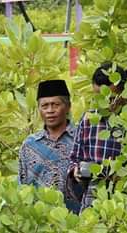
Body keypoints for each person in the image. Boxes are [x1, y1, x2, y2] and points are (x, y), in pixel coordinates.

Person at [68, 62, 127, 212]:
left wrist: (122, 174)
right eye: (99, 98)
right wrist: (76, 171)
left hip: (126, 202)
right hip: (93, 201)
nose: (106, 105)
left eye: (111, 99)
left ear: (124, 93)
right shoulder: (89, 118)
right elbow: (74, 158)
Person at [19, 79, 81, 213]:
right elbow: (22, 187)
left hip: (76, 223)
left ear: (68, 106)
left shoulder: (81, 140)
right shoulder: (29, 145)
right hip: (40, 224)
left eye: (55, 104)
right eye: (45, 106)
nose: (50, 110)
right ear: (39, 109)